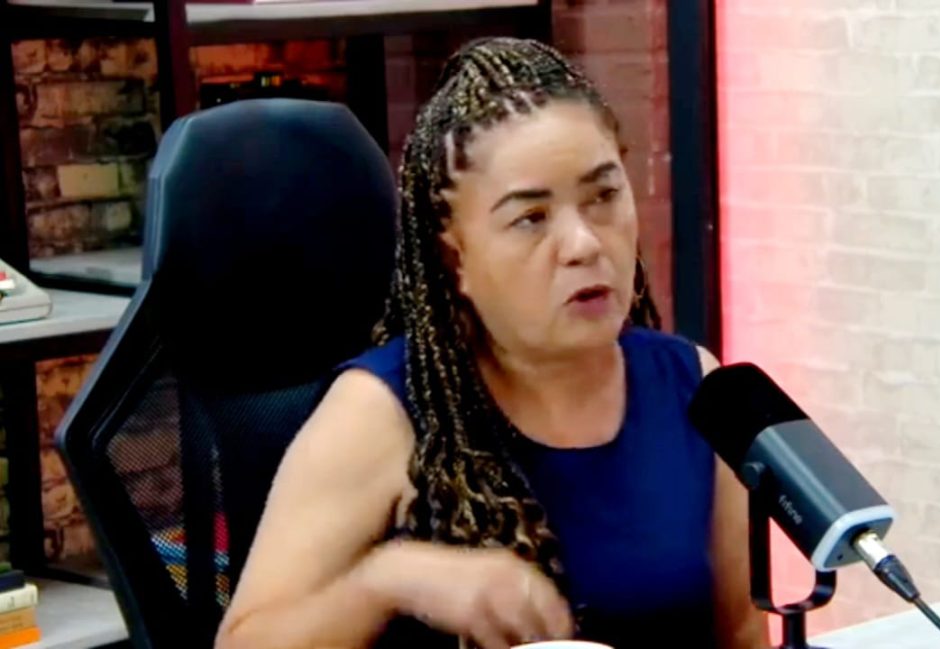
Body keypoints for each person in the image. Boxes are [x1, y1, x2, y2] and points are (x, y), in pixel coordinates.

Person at [215, 37, 768, 649]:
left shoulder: (695, 388)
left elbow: (743, 632)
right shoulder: (382, 412)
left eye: (603, 197)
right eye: (530, 219)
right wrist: (388, 580)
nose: (584, 243)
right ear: (457, 259)